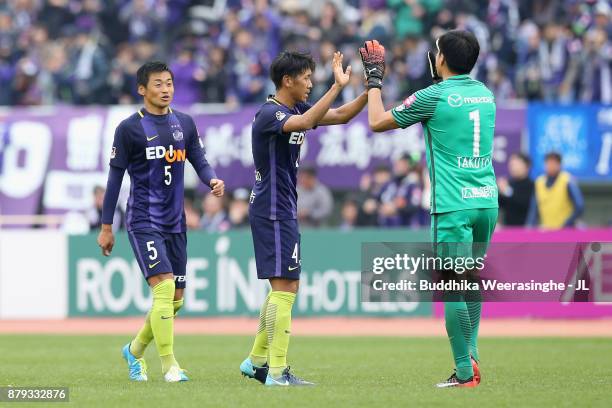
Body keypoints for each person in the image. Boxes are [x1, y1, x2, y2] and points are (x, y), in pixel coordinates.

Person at [363, 31, 498, 388]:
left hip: (453, 206)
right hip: (486, 201)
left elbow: (377, 122)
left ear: (441, 60)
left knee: (452, 285)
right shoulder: (486, 95)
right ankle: (473, 357)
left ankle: (465, 372)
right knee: (470, 281)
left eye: (436, 51)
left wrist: (374, 79)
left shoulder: (433, 96)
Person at [240, 50, 367, 386]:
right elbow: (309, 121)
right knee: (286, 286)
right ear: (287, 80)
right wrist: (338, 86)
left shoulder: (292, 109)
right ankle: (277, 372)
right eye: (307, 78)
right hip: (271, 208)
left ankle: (255, 362)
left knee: (283, 286)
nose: (311, 83)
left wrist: (371, 90)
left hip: (280, 206)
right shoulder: (269, 113)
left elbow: (339, 116)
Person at [96, 61, 225, 383]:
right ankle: (169, 365)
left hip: (175, 222)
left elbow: (198, 158)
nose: (165, 89)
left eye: (169, 83)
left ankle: (134, 351)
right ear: (142, 89)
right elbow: (114, 179)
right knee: (164, 287)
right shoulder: (129, 128)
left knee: (176, 299)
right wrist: (106, 225)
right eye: (158, 84)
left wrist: (211, 180)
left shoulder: (185, 123)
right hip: (143, 220)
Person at [527, 152, 584, 229]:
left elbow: (579, 206)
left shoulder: (567, 180)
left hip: (566, 231)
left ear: (560, 165)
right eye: (548, 163)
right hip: (547, 231)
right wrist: (530, 228)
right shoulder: (539, 182)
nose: (551, 166)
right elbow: (534, 210)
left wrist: (567, 224)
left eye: (554, 163)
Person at [498, 152, 534, 226]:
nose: (513, 167)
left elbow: (524, 204)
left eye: (516, 164)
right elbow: (501, 205)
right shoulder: (509, 183)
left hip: (526, 229)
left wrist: (507, 191)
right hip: (508, 229)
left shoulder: (532, 185)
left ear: (526, 166)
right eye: (511, 164)